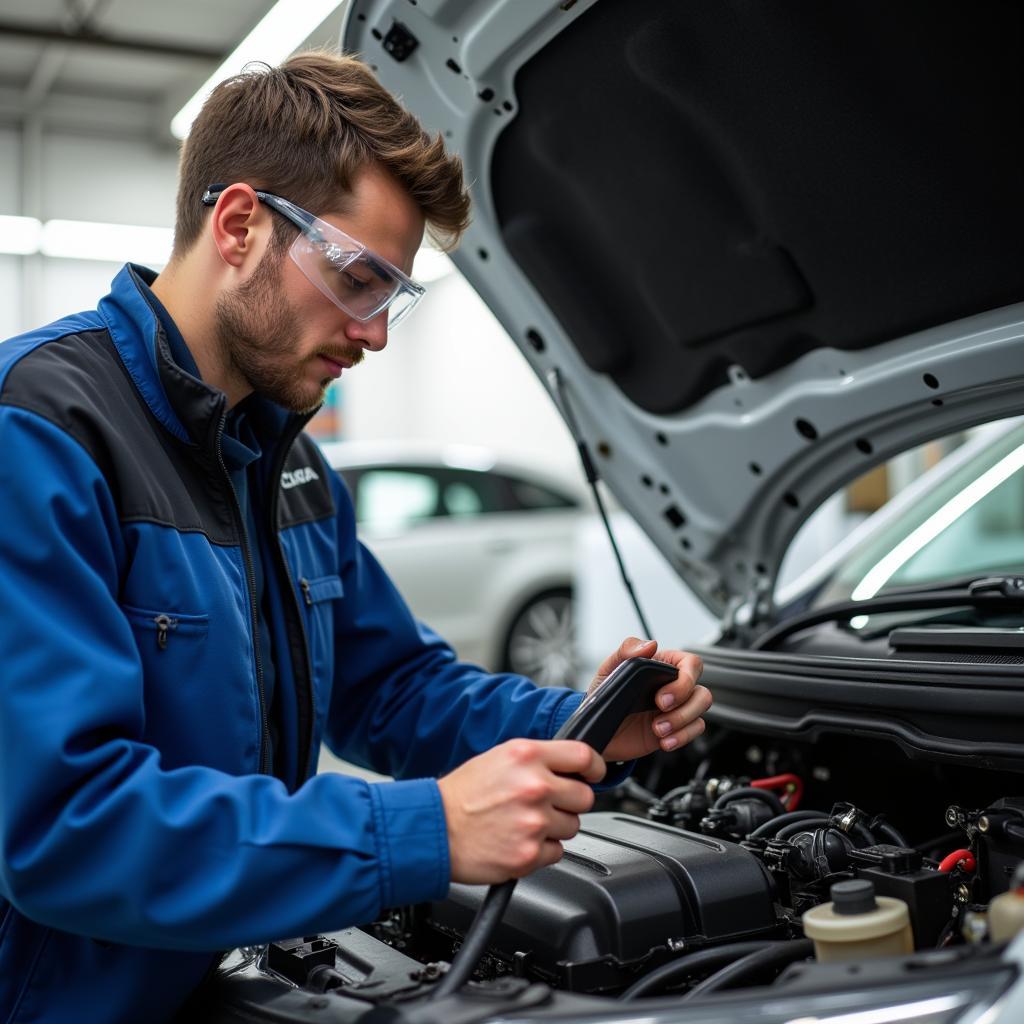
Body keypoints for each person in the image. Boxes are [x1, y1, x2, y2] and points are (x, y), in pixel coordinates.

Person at [0, 52, 712, 1023]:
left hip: (197, 977)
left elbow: (392, 687)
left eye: (392, 296)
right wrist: (421, 832)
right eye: (355, 277)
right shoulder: (40, 431)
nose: (374, 333)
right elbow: (65, 826)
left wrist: (581, 725)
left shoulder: (287, 467)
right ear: (240, 224)